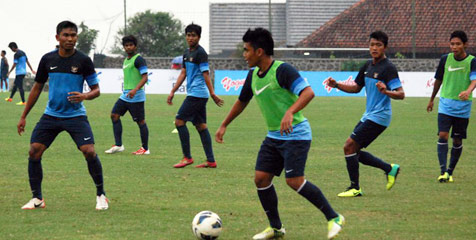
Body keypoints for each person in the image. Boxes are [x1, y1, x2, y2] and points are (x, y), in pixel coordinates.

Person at [215, 28, 344, 240]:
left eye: (246, 50)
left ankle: (334, 217)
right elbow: (242, 101)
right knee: (261, 179)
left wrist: (290, 112)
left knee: (294, 181)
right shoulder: (253, 76)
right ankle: (276, 228)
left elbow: (308, 92)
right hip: (274, 136)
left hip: (296, 134)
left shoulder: (282, 70)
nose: (244, 55)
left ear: (259, 51)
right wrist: (224, 124)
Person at [17, 21, 108, 210]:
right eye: (66, 35)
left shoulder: (83, 61)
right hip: (51, 115)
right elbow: (37, 87)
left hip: (75, 116)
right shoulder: (48, 59)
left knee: (89, 151)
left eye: (73, 35)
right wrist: (24, 115)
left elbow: (96, 90)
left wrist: (85, 96)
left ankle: (101, 195)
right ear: (57, 37)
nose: (70, 39)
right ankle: (37, 199)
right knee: (34, 150)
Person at [326, 31, 404, 198]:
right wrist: (336, 85)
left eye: (378, 45)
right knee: (354, 152)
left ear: (385, 47)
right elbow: (355, 88)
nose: (374, 48)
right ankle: (390, 169)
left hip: (380, 116)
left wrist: (387, 91)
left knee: (348, 146)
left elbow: (401, 94)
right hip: (369, 115)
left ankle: (355, 188)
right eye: (372, 45)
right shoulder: (367, 66)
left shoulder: (388, 68)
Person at [167, 23, 224, 168]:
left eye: (193, 35)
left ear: (199, 37)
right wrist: (173, 91)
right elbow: (183, 73)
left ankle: (187, 157)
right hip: (196, 94)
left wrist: (212, 93)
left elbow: (206, 74)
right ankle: (211, 160)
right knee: (200, 125)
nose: (190, 38)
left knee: (179, 121)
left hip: (197, 94)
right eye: (188, 35)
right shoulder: (186, 53)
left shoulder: (201, 53)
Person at [427, 30, 476, 183]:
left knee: (457, 140)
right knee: (443, 135)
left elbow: (474, 80)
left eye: (458, 44)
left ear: (465, 45)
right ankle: (443, 171)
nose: (454, 47)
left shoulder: (472, 61)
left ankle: (450, 171)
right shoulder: (445, 59)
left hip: (462, 107)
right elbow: (438, 80)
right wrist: (431, 99)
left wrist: (468, 91)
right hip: (445, 105)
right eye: (452, 44)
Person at [105, 35, 150, 155]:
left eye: (131, 45)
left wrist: (135, 89)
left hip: (136, 96)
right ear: (124, 47)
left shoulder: (139, 59)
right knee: (114, 115)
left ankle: (145, 148)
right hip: (125, 95)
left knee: (140, 122)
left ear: (135, 46)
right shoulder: (126, 60)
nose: (128, 47)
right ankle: (119, 145)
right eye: (126, 45)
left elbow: (145, 77)